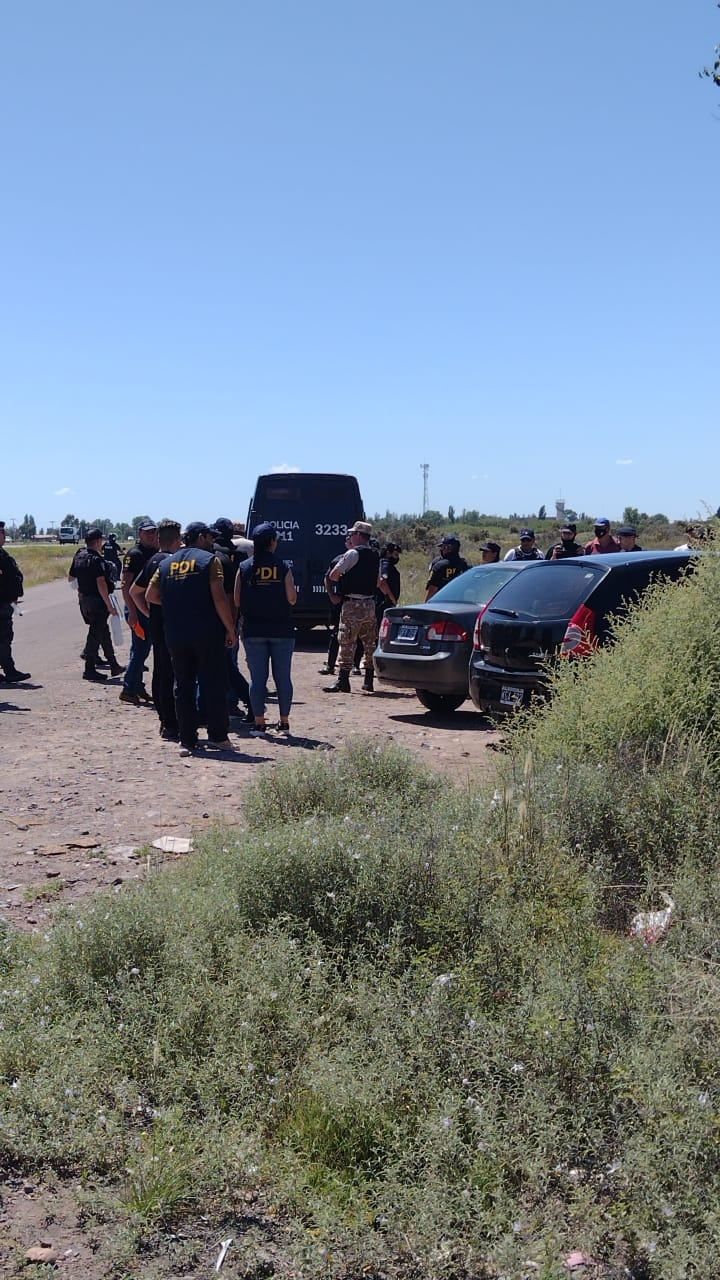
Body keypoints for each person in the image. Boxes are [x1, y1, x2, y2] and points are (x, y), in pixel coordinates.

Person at [146, 522, 236, 755]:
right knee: (213, 684)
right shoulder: (210, 561)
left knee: (183, 686)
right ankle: (218, 736)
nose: (212, 542)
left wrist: (176, 604)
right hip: (207, 633)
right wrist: (230, 628)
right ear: (201, 538)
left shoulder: (166, 563)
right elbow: (219, 598)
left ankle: (187, 739)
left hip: (176, 633)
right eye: (209, 537)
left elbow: (150, 595)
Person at [235, 522, 297, 736]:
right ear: (272, 542)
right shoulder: (283, 566)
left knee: (258, 679)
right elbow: (291, 598)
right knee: (283, 678)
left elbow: (237, 600)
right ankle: (284, 722)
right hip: (282, 630)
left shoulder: (244, 567)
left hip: (253, 630)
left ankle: (259, 723)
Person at [130, 518, 182, 740]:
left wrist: (147, 613)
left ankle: (164, 719)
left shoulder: (152, 561)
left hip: (157, 625)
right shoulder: (173, 562)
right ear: (177, 540)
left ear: (159, 538)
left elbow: (134, 591)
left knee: (160, 671)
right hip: (173, 625)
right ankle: (172, 720)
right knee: (173, 675)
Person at [324, 520, 380, 694]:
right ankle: (368, 681)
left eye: (352, 534)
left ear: (358, 535)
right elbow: (378, 582)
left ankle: (343, 680)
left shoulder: (352, 554)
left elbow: (333, 575)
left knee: (347, 640)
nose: (350, 537)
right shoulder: (375, 555)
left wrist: (347, 579)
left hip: (352, 604)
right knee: (369, 642)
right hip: (369, 604)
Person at [68, 528, 124, 682]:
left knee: (103, 632)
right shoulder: (96, 560)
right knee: (94, 636)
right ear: (98, 541)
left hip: (85, 601)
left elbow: (71, 578)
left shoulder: (79, 556)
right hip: (97, 602)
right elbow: (101, 583)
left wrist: (81, 590)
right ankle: (89, 669)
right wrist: (109, 605)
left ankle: (114, 665)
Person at [211, 517, 251, 719]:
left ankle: (225, 702)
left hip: (213, 617)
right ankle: (233, 701)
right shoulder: (238, 555)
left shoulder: (211, 555)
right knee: (230, 662)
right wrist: (233, 624)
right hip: (232, 614)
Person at [119, 519, 159, 705]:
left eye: (153, 532)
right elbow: (125, 584)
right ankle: (128, 688)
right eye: (147, 532)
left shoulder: (156, 552)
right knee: (140, 649)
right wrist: (132, 612)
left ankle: (137, 686)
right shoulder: (134, 554)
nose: (151, 535)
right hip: (137, 608)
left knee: (142, 649)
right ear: (140, 534)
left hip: (148, 607)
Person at [0, 520, 30, 683]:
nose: (4, 535)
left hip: (6, 601)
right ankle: (10, 671)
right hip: (1, 602)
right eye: (1, 533)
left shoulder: (2, 554)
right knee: (4, 639)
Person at [425, 535, 470, 599]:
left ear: (448, 548)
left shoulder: (439, 566)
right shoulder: (464, 565)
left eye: (442, 547)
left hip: (441, 602)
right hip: (459, 602)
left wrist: (426, 604)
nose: (441, 550)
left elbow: (432, 590)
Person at [376, 542, 401, 626]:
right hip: (383, 603)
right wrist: (392, 600)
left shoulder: (385, 564)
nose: (397, 557)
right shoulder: (385, 564)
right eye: (396, 554)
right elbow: (382, 582)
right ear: (388, 553)